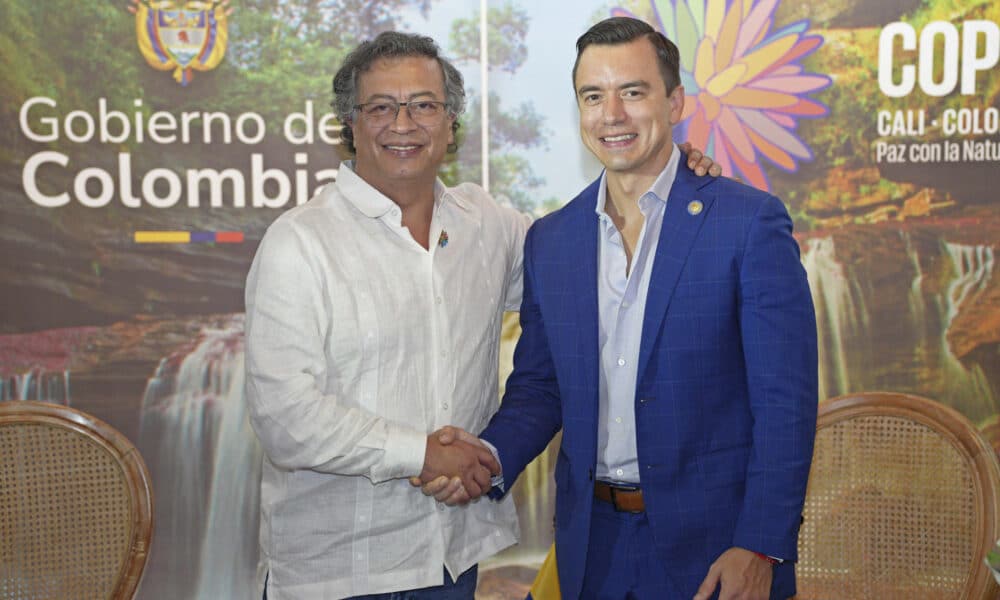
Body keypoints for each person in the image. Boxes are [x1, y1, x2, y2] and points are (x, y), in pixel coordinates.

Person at [245, 30, 720, 600]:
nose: (403, 123)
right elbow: (284, 418)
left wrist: (669, 169)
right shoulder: (299, 243)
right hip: (336, 572)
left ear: (451, 124)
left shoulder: (490, 226)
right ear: (350, 123)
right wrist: (421, 452)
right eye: (380, 107)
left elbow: (597, 260)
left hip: (453, 563)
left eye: (424, 105)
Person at [427, 16, 818, 600]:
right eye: (593, 96)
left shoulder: (747, 223)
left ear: (675, 101)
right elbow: (541, 386)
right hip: (592, 548)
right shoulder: (552, 240)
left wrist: (761, 545)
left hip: (717, 552)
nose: (612, 114)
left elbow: (785, 404)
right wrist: (489, 455)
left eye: (633, 92)